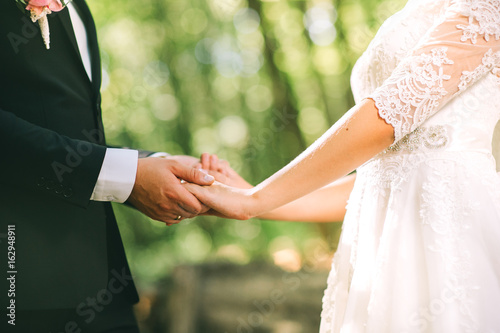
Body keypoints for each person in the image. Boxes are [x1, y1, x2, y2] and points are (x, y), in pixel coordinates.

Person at [186, 0, 500, 331]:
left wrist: (254, 199)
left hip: (450, 238)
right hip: (375, 251)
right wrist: (255, 197)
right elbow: (378, 177)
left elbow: (387, 115)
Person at [0, 0, 217, 331]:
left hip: (101, 288)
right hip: (17, 290)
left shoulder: (79, 10)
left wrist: (157, 165)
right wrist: (127, 177)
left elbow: (75, 138)